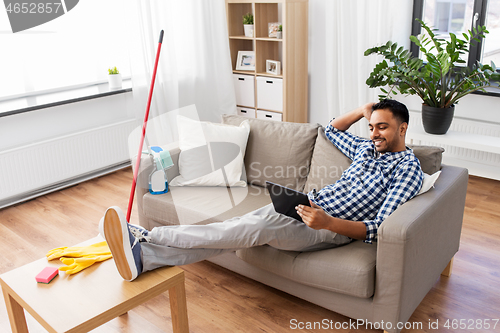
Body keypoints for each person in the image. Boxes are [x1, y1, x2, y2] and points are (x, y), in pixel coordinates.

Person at [99, 99, 423, 281]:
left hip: (326, 228)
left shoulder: (407, 169)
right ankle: (145, 259)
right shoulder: (367, 149)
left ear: (403, 128)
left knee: (241, 228)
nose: (375, 133)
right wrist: (364, 110)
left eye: (383, 127)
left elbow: (377, 229)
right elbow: (330, 130)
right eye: (372, 126)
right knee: (233, 233)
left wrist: (327, 224)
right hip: (303, 206)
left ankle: (147, 237)